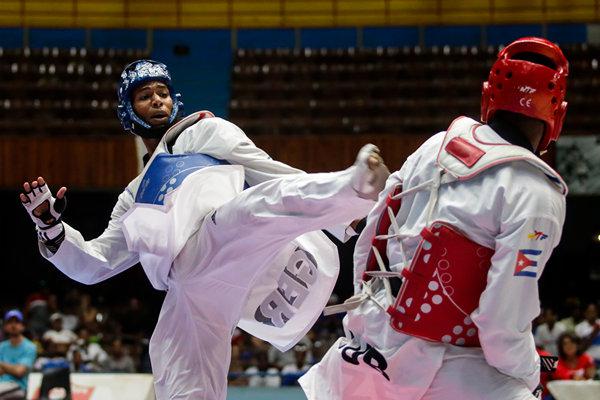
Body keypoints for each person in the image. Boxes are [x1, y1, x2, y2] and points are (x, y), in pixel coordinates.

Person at [19, 59, 389, 399]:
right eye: (145, 96)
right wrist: (51, 226)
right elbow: (96, 264)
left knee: (254, 208)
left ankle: (355, 187)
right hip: (190, 286)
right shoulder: (133, 198)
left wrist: (345, 216)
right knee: (170, 358)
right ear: (128, 112)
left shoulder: (203, 130)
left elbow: (265, 169)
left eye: (163, 93)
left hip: (229, 241)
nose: (158, 101)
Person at [300, 37, 569, 400]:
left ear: (489, 95)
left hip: (364, 354)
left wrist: (370, 320)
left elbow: (372, 237)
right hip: (450, 372)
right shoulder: (535, 193)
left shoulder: (436, 145)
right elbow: (501, 325)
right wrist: (531, 372)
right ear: (556, 114)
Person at [0, 310, 37, 400]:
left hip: (19, 387)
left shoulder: (30, 347)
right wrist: (12, 368)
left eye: (17, 322)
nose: (13, 325)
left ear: (23, 326)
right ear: (5, 327)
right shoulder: (2, 346)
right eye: (10, 322)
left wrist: (4, 367)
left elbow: (19, 372)